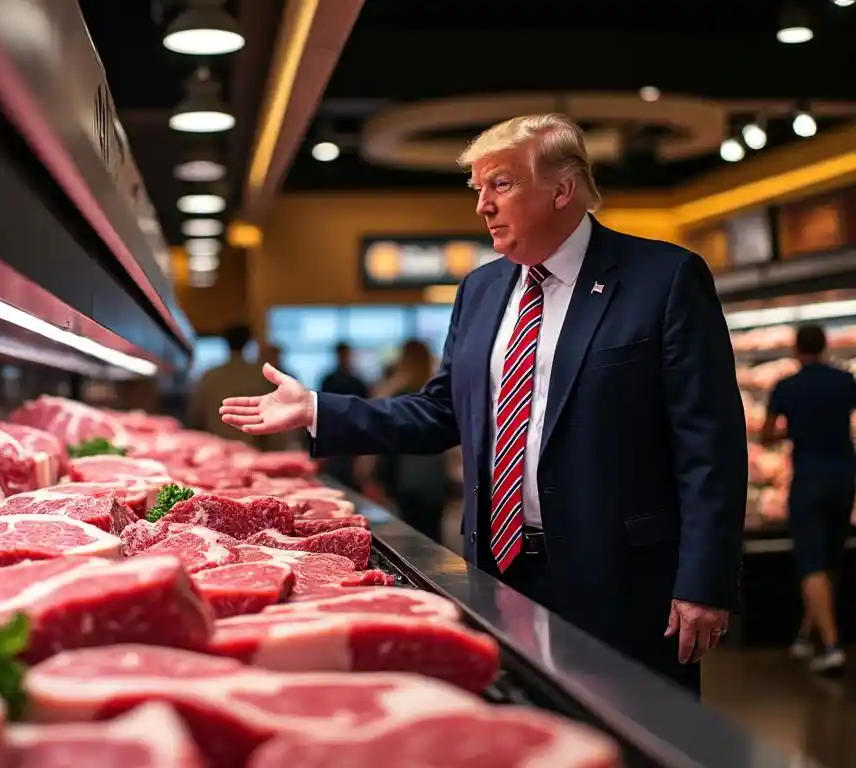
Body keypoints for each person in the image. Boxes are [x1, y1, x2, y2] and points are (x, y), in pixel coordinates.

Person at [220, 113, 748, 694]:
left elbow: (710, 446)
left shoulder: (663, 278)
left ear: (562, 189)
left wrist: (705, 580)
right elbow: (439, 411)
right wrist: (318, 409)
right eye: (478, 189)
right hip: (500, 573)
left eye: (501, 185)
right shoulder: (481, 289)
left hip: (624, 581)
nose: (482, 207)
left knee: (638, 742)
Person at [761, 323, 856, 675]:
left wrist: (796, 427)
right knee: (832, 558)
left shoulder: (786, 387)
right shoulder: (845, 380)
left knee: (812, 562)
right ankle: (805, 635)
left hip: (808, 479)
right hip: (844, 478)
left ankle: (832, 646)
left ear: (796, 350)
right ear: (825, 346)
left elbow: (769, 435)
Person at [372, 340, 450, 542]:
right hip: (434, 474)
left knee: (409, 536)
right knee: (433, 535)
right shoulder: (435, 390)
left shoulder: (396, 392)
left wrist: (379, 475)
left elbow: (385, 436)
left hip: (405, 472)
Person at [188, 324, 290, 450]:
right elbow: (272, 418)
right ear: (249, 343)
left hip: (214, 451)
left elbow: (197, 415)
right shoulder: (260, 375)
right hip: (251, 450)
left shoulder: (209, 375)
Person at [318, 343, 370, 490]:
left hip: (347, 436)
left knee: (346, 477)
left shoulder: (333, 380)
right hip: (344, 436)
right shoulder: (333, 380)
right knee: (337, 477)